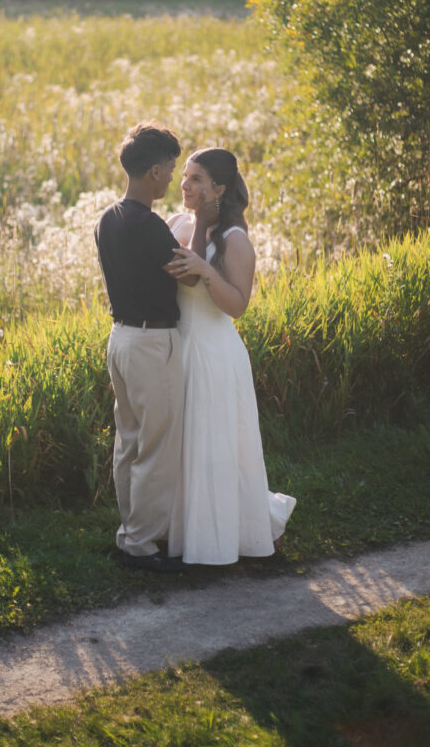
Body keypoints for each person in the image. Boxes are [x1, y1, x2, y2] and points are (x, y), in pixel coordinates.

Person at [164, 148, 296, 565]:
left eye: (197, 179)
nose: (186, 185)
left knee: (218, 448)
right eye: (185, 176)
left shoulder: (235, 240)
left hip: (215, 353)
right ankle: (183, 532)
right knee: (184, 446)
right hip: (179, 347)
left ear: (220, 188)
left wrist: (207, 272)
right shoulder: (176, 223)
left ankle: (231, 535)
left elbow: (237, 305)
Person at [94, 122, 200, 573]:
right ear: (153, 171)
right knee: (156, 444)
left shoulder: (108, 218)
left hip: (120, 338)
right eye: (171, 170)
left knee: (130, 440)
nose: (173, 179)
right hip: (153, 344)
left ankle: (128, 533)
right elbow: (192, 276)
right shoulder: (151, 225)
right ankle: (142, 545)